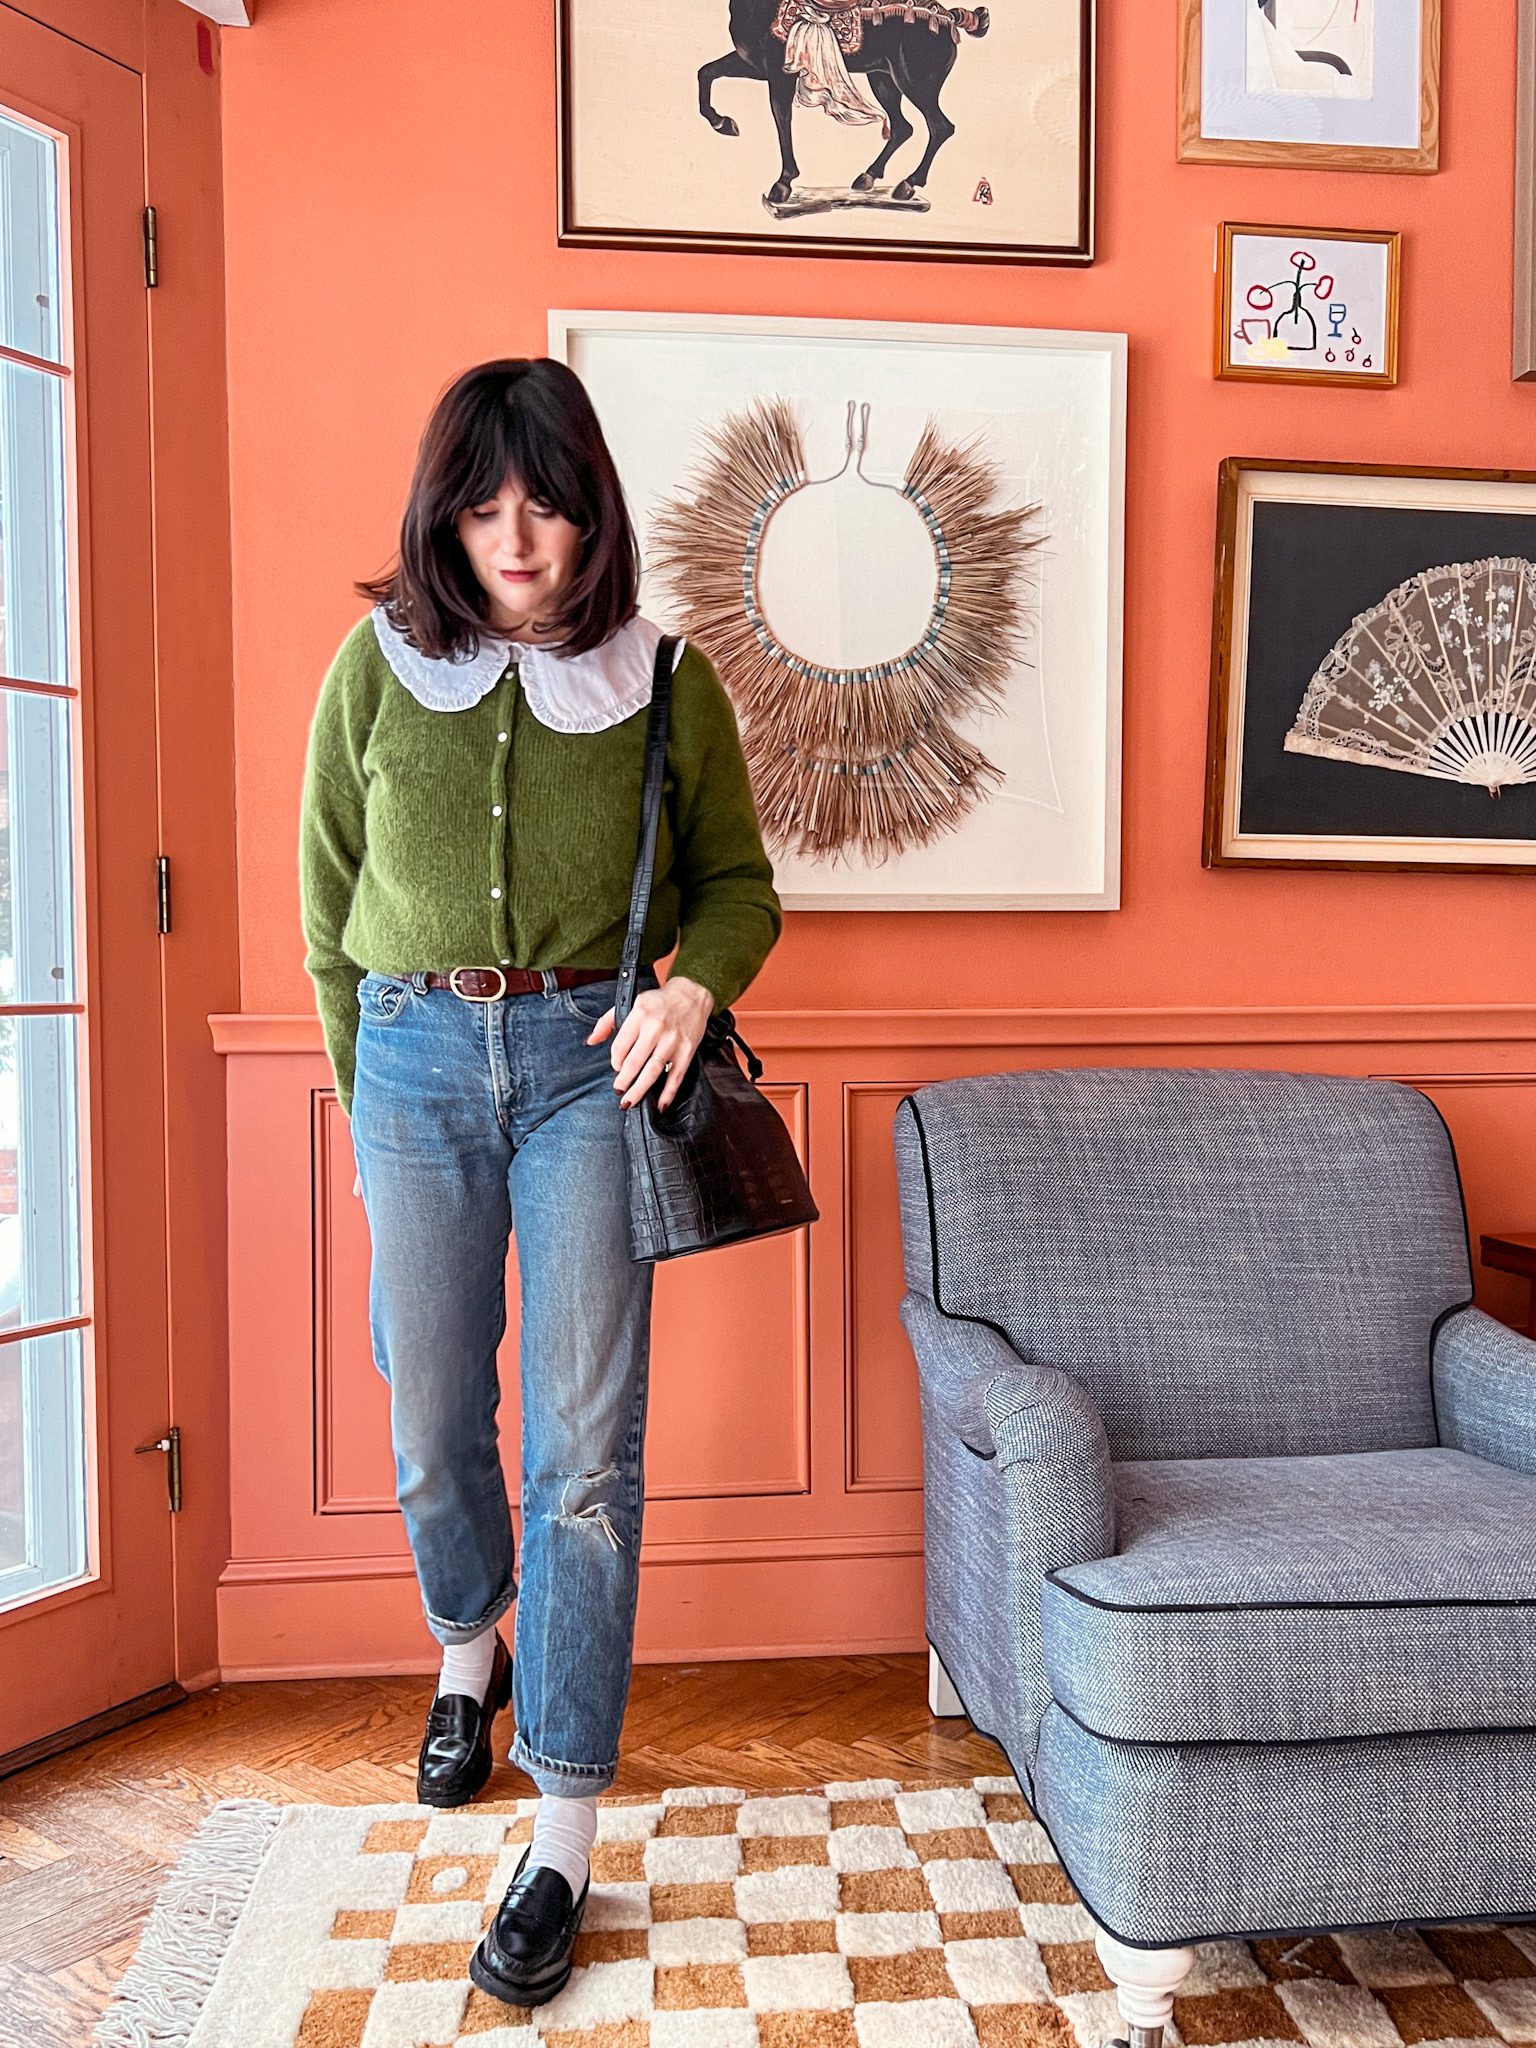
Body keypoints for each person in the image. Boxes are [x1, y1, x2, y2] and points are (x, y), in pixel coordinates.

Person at [298, 357, 781, 2007]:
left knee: (586, 1452)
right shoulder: (372, 673)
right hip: (415, 1066)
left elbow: (736, 889)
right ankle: (466, 1651)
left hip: (595, 1066)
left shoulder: (665, 681)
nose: (520, 538)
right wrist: (371, 1097)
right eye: (489, 505)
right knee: (429, 1414)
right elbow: (324, 904)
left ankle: (565, 1823)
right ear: (445, 510)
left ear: (594, 514)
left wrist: (690, 986)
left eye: (551, 505)